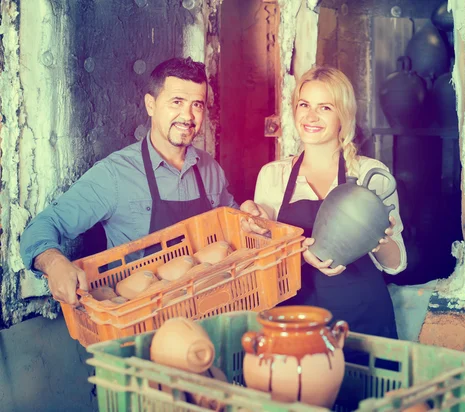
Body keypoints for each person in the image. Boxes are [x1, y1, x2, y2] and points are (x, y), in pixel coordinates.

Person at [20, 57, 243, 306]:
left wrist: (248, 216)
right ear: (151, 104)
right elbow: (44, 225)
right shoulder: (115, 174)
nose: (188, 116)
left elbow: (232, 219)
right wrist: (54, 263)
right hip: (140, 323)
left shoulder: (210, 169)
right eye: (177, 102)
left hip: (208, 312)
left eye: (197, 105)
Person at [242, 66, 407, 339]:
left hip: (361, 320)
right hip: (294, 318)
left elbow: (396, 263)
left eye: (325, 107)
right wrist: (255, 226)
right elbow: (264, 257)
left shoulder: (369, 174)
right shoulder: (274, 175)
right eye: (304, 104)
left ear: (343, 115)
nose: (310, 116)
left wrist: (379, 240)